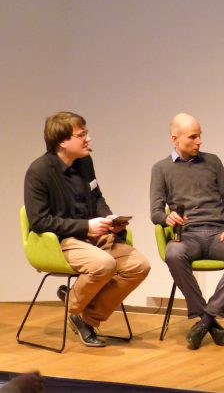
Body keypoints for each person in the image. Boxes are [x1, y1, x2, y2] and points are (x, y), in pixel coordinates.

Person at [24, 112, 151, 347]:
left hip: (94, 236)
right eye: (81, 135)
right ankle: (72, 304)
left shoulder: (85, 163)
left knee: (139, 266)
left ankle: (86, 318)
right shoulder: (39, 172)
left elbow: (96, 196)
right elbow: (40, 221)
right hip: (62, 240)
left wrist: (109, 219)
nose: (88, 139)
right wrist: (86, 227)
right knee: (103, 264)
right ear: (62, 141)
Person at [150, 113, 224, 350]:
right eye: (193, 137)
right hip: (188, 235)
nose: (199, 141)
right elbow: (155, 212)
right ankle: (211, 321)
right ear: (174, 139)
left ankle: (206, 319)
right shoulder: (161, 168)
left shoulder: (213, 162)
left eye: (200, 136)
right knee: (173, 254)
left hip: (219, 233)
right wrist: (167, 218)